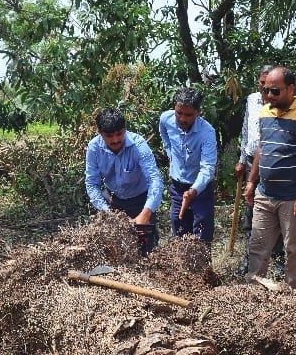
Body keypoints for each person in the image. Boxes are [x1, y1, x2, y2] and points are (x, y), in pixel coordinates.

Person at [244, 66, 296, 288]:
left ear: (291, 89)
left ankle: (292, 294)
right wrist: (252, 181)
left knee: (293, 248)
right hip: (265, 194)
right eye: (266, 90)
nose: (269, 96)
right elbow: (262, 147)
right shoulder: (265, 112)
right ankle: (254, 291)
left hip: (292, 197)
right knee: (257, 246)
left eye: (275, 91)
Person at [85, 107, 164, 253]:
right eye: (109, 136)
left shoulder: (139, 145)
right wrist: (108, 214)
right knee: (115, 251)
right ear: (100, 133)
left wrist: (145, 214)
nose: (115, 140)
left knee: (147, 250)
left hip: (141, 201)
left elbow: (155, 180)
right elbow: (91, 183)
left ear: (125, 129)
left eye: (119, 134)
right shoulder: (94, 148)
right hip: (113, 201)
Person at [235, 65, 285, 278]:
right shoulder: (251, 100)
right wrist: (241, 159)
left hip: (274, 165)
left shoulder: (282, 103)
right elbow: (246, 129)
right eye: (262, 85)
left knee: (277, 214)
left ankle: (279, 261)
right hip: (250, 161)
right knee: (251, 213)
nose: (266, 91)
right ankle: (250, 257)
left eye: (270, 86)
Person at [159, 87, 218, 244]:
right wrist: (170, 152)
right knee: (179, 234)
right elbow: (164, 134)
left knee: (201, 238)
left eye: (188, 115)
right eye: (179, 113)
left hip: (200, 191)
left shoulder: (207, 133)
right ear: (174, 107)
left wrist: (193, 191)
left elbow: (208, 168)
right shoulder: (166, 119)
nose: (183, 119)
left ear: (198, 112)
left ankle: (203, 269)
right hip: (177, 189)